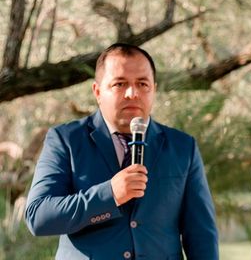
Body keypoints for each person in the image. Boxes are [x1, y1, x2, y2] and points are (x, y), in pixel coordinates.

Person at [25, 43, 219, 260]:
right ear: (97, 91)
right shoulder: (66, 140)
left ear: (153, 89)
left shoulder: (183, 147)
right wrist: (110, 194)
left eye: (142, 84)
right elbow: (39, 217)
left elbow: (201, 236)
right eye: (120, 83)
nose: (132, 93)